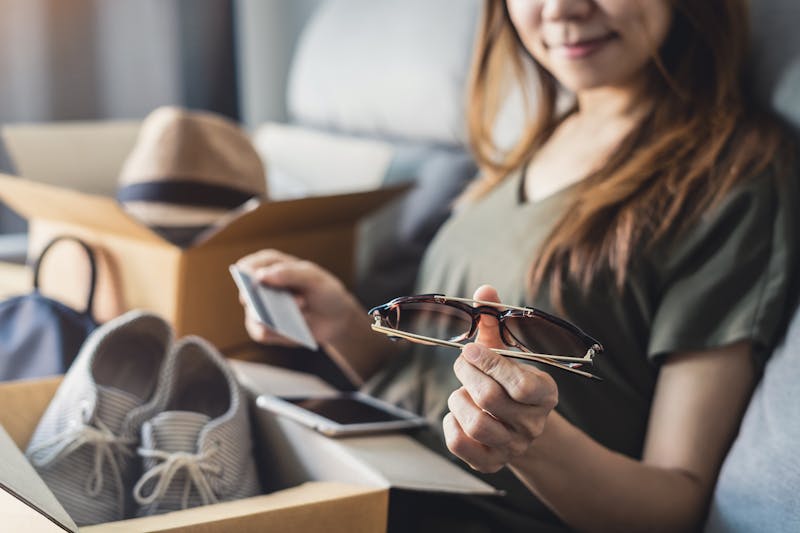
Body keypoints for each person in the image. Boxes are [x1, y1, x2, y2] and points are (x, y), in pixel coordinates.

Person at [235, 0, 798, 531]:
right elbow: (437, 385)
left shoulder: (730, 177)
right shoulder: (531, 145)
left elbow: (678, 501)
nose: (560, 9)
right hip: (363, 467)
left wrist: (532, 441)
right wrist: (348, 329)